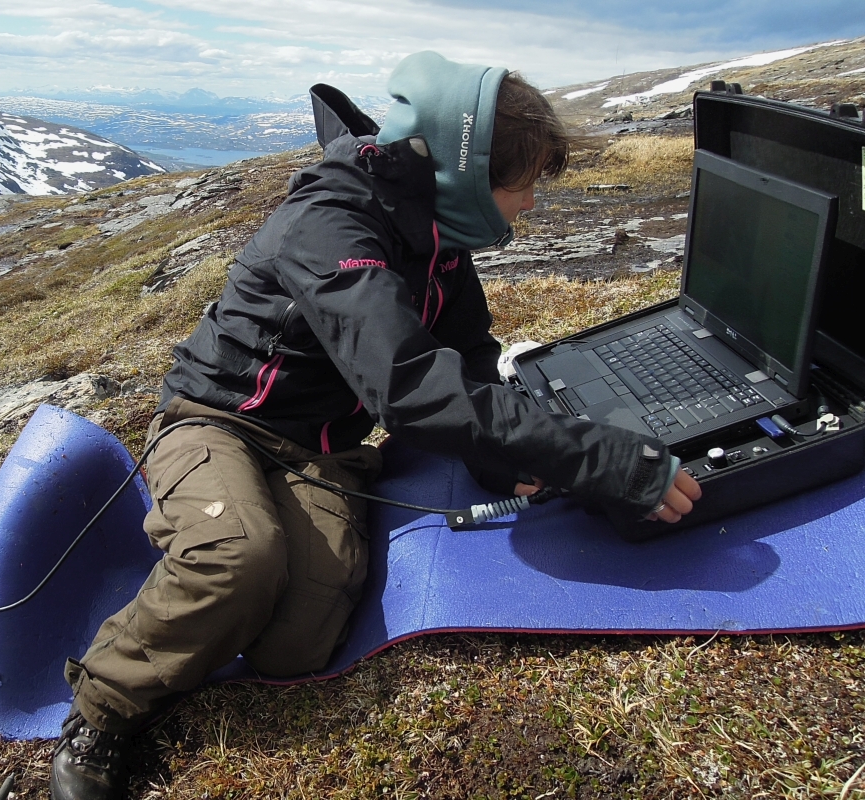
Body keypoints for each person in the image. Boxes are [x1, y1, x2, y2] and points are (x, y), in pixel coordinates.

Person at [50, 51, 701, 800]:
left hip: (321, 447)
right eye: (520, 185)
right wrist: (602, 462)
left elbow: (470, 362)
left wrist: (502, 463)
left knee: (297, 647)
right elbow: (411, 388)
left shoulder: (438, 235)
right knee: (237, 561)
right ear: (468, 169)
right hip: (219, 422)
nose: (527, 204)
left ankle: (209, 595)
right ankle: (103, 707)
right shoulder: (331, 221)